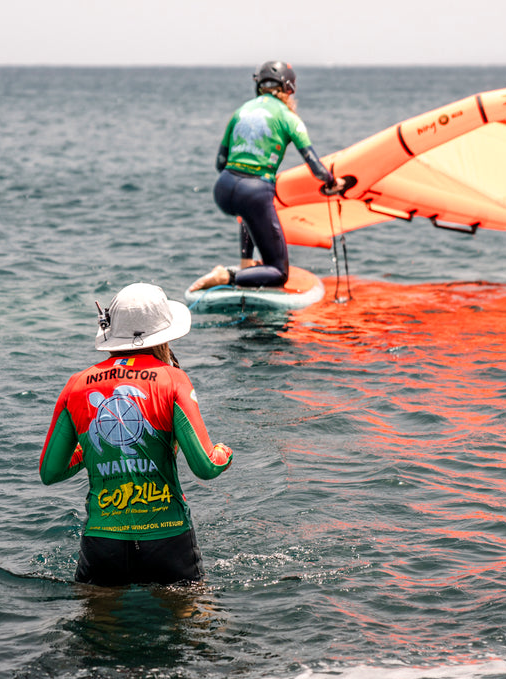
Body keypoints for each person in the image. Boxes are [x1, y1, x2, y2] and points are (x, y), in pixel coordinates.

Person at [39, 282, 233, 587]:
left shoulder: (77, 385)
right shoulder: (173, 380)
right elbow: (206, 467)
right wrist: (225, 452)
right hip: (168, 540)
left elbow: (50, 471)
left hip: (102, 544)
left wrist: (90, 450)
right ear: (164, 337)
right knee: (195, 629)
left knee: (98, 634)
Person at [189, 61, 338, 291]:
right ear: (289, 89)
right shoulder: (289, 118)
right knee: (279, 273)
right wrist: (332, 181)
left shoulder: (241, 111)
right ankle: (226, 276)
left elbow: (220, 162)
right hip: (254, 192)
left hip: (223, 188)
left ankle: (246, 264)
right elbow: (316, 167)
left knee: (248, 213)